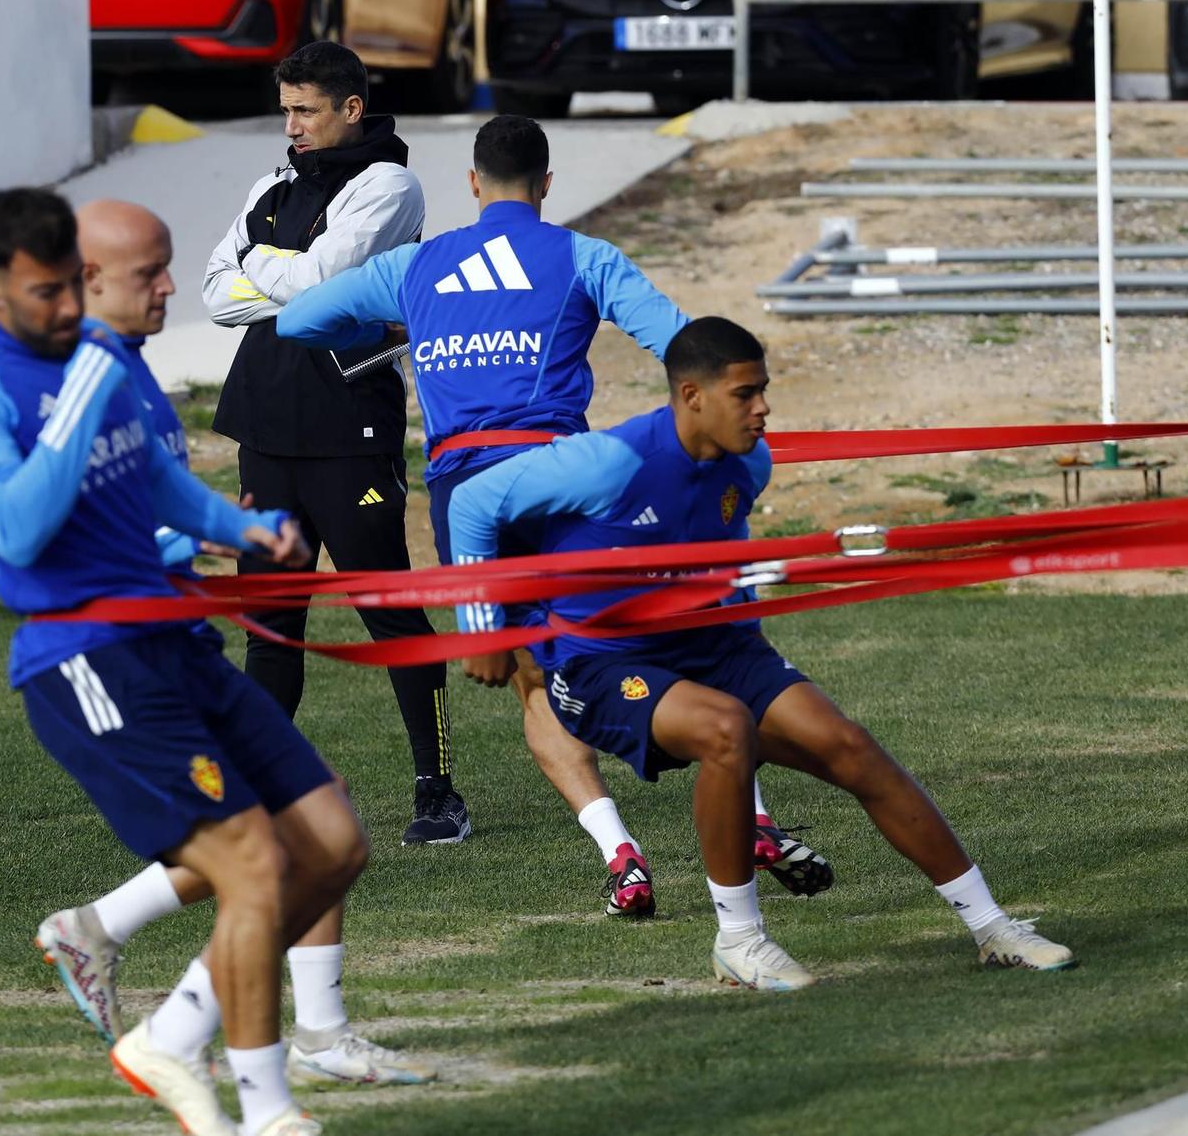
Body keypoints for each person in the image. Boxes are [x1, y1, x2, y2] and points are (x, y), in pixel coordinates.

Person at [274, 114, 831, 917]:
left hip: (470, 496)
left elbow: (297, 321)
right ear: (545, 185)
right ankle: (754, 818)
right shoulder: (582, 256)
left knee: (537, 683)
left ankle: (623, 855)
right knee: (638, 639)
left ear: (472, 184)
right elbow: (680, 343)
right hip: (564, 484)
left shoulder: (415, 265)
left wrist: (403, 326)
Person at [444, 316, 1077, 988]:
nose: (764, 408)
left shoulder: (751, 463)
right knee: (725, 729)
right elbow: (473, 505)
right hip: (606, 661)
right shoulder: (607, 462)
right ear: (691, 396)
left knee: (850, 745)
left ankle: (992, 928)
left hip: (717, 643)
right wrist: (485, 626)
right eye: (745, 394)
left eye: (763, 390)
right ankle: (739, 942)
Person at [0, 186, 366, 1136]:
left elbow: (153, 477)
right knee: (251, 864)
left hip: (175, 642)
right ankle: (269, 1113)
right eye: (50, 293)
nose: (67, 313)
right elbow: (17, 526)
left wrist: (240, 524)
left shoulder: (103, 363)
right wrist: (83, 384)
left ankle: (171, 1035)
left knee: (331, 841)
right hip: (85, 654)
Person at [33, 198, 434, 1090]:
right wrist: (195, 543)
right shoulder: (64, 380)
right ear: (86, 279)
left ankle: (306, 1031)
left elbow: (149, 508)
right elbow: (47, 532)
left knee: (323, 825)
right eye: (150, 272)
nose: (174, 287)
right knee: (269, 852)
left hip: (183, 642)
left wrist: (227, 535)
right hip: (119, 656)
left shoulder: (132, 372)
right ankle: (240, 1076)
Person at [203, 41, 466, 846]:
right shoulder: (272, 182)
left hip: (351, 426)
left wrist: (263, 264)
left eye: (305, 109)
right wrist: (288, 276)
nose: (291, 126)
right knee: (272, 623)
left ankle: (437, 788)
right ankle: (258, 793)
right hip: (264, 424)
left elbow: (324, 280)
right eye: (286, 109)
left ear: (351, 108)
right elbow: (217, 295)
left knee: (387, 611)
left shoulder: (389, 184)